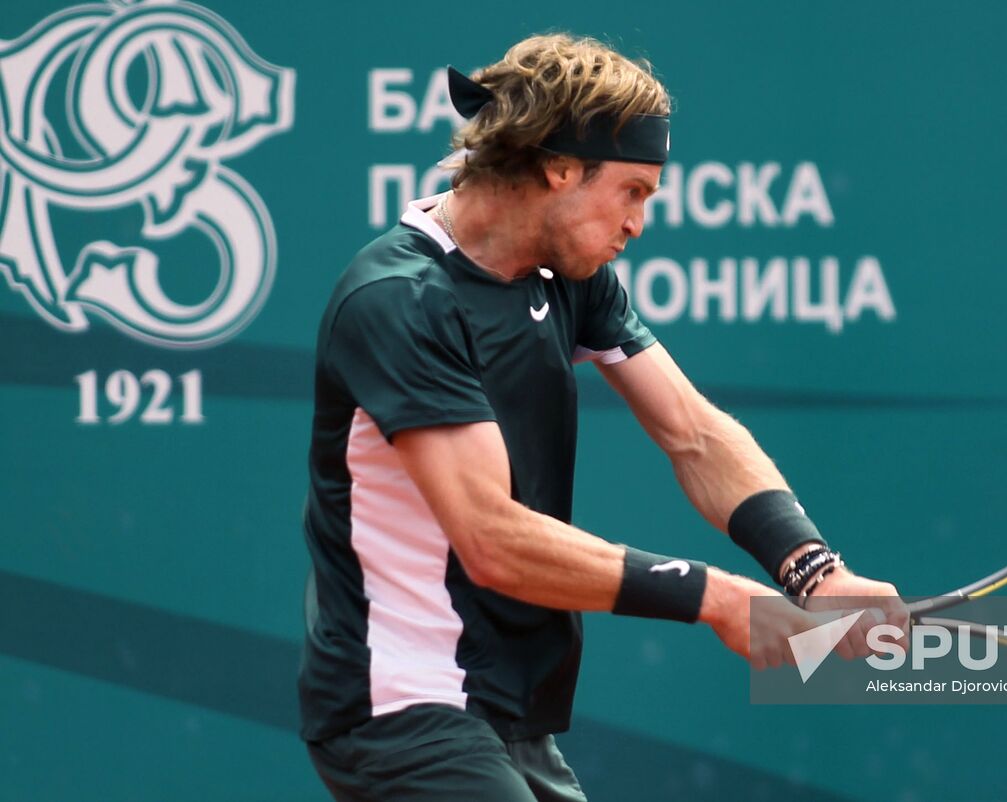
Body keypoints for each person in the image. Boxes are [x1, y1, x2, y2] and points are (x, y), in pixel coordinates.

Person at [298, 33, 907, 802]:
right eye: (634, 191)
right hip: (401, 705)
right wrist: (715, 597)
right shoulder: (399, 300)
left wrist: (815, 571)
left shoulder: (570, 276)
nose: (639, 223)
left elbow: (694, 432)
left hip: (510, 710)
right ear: (558, 168)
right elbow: (491, 539)